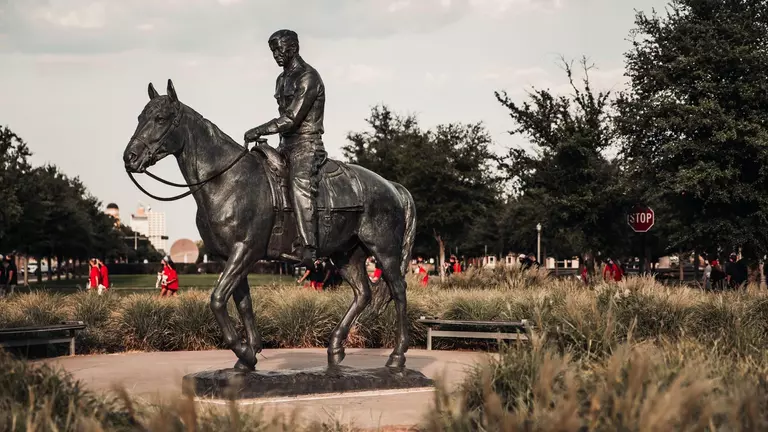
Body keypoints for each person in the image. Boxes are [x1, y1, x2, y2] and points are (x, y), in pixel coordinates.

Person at [244, 29, 327, 267]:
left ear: (294, 48)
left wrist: (259, 129)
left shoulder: (308, 77)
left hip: (307, 145)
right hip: (285, 146)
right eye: (273, 51)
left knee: (299, 183)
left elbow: (291, 119)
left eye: (280, 49)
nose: (276, 55)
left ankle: (309, 249)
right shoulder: (281, 79)